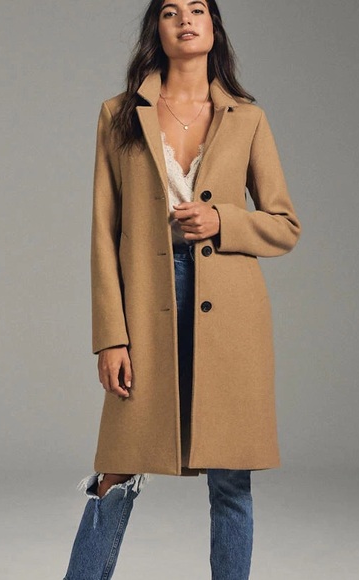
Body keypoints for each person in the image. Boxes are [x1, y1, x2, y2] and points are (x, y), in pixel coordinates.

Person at [62, 0, 301, 578]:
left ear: (214, 26)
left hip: (232, 312)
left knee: (231, 477)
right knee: (118, 467)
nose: (186, 20)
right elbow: (103, 233)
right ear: (157, 28)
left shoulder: (247, 118)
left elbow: (285, 225)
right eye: (170, 11)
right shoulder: (119, 114)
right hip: (147, 302)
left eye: (198, 9)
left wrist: (224, 221)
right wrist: (110, 337)